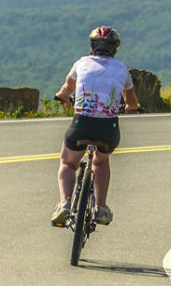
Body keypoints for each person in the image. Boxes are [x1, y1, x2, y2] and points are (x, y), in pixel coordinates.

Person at [52, 25, 137, 229]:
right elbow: (132, 102)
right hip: (107, 127)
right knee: (100, 162)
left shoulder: (81, 63)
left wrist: (63, 97)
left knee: (68, 163)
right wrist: (132, 108)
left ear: (92, 46)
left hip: (81, 123)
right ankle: (101, 208)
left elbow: (66, 89)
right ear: (115, 48)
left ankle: (64, 203)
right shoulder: (122, 69)